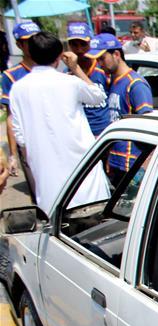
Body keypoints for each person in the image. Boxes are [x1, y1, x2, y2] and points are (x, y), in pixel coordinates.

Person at [9, 32, 109, 212]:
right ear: (59, 57)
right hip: (84, 178)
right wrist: (76, 68)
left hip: (48, 185)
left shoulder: (18, 89)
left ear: (30, 54)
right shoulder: (70, 82)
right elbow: (98, 96)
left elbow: (21, 138)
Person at [86, 33, 153, 185]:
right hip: (117, 163)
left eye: (102, 58)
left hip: (133, 167)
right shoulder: (115, 82)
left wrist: (144, 164)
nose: (99, 64)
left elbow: (148, 128)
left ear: (116, 54)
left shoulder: (135, 85)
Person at [2, 21, 40, 184]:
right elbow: (11, 117)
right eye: (27, 41)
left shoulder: (53, 68)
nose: (33, 45)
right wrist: (12, 155)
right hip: (30, 144)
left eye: (36, 39)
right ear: (19, 44)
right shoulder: (11, 76)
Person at [66, 22, 111, 136]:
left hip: (104, 133)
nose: (79, 49)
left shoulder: (103, 68)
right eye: (74, 45)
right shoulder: (66, 74)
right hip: (80, 134)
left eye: (83, 44)